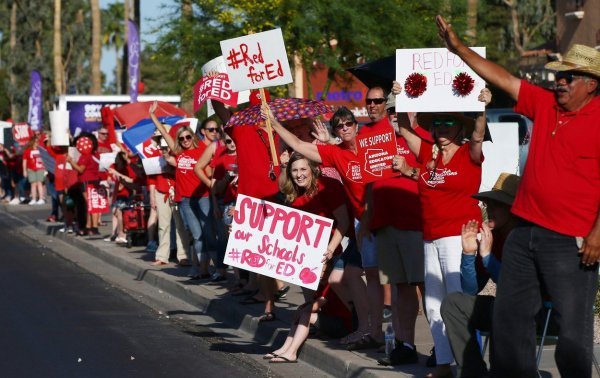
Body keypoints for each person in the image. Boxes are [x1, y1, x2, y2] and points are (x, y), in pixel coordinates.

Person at [436, 15, 600, 378]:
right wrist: (459, 48)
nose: (559, 82)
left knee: (573, 336)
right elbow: (504, 78)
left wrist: (597, 234)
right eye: (558, 75)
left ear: (590, 84)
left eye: (568, 77)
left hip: (569, 240)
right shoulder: (546, 106)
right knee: (509, 324)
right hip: (525, 233)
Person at [392, 84, 490, 377]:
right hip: (430, 237)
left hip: (458, 237)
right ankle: (445, 364)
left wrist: (482, 109)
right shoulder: (427, 155)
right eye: (438, 123)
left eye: (449, 122)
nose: (443, 128)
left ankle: (467, 365)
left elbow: (478, 136)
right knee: (433, 306)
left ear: (460, 127)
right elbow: (406, 131)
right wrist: (400, 98)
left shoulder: (468, 155)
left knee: (458, 304)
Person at [264, 152, 351, 362]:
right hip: (309, 262)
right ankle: (285, 349)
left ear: (313, 169)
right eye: (294, 171)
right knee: (305, 308)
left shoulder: (327, 187)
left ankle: (290, 352)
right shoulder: (296, 198)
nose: (299, 174)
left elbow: (344, 221)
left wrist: (328, 251)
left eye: (303, 169)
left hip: (343, 322)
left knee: (307, 310)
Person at [440, 173, 520, 378]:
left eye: (496, 205)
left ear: (512, 209)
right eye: (487, 204)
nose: (488, 210)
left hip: (528, 311)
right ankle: (472, 373)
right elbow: (470, 290)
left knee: (501, 307)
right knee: (453, 302)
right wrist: (469, 254)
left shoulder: (523, 237)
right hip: (502, 308)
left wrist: (487, 258)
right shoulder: (493, 237)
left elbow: (517, 287)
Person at [370, 93, 425, 365]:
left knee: (424, 287)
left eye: (400, 110)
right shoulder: (377, 140)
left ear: (413, 114)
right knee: (400, 287)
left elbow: (432, 177)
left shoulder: (423, 138)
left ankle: (441, 347)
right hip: (385, 223)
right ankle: (406, 344)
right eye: (390, 109)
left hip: (414, 223)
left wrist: (407, 170)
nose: (394, 114)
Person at [22, 134, 46, 205]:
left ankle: (41, 198)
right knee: (33, 184)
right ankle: (33, 199)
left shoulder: (41, 150)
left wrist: (45, 169)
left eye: (37, 142)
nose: (37, 143)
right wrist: (24, 170)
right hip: (31, 169)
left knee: (40, 183)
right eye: (35, 142)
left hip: (40, 168)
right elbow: (24, 161)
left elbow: (45, 159)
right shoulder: (27, 150)